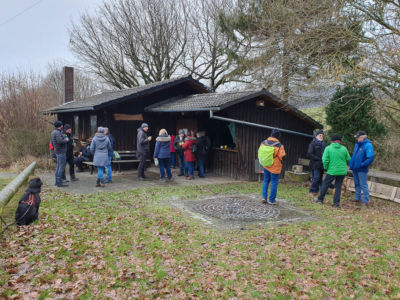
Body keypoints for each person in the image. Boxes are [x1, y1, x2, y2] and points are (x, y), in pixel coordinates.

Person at [314, 134, 351, 207]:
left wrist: (326, 167)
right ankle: (336, 203)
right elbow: (349, 159)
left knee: (325, 184)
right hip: (342, 171)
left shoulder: (328, 148)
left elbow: (325, 160)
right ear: (340, 141)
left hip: (332, 170)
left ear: (332, 141)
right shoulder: (344, 148)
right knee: (338, 186)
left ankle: (320, 199)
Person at [349, 131, 375, 207]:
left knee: (363, 184)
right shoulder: (357, 145)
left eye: (357, 137)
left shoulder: (368, 145)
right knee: (357, 183)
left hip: (362, 169)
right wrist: (352, 164)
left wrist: (362, 165)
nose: (356, 138)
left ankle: (366, 201)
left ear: (362, 137)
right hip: (355, 168)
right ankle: (357, 198)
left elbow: (370, 158)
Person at [261, 129, 286, 205]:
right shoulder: (279, 145)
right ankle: (271, 200)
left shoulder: (264, 142)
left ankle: (264, 197)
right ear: (278, 136)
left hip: (266, 164)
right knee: (274, 182)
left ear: (271, 134)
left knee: (266, 181)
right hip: (275, 167)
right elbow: (282, 156)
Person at [51, 121, 69, 187]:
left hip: (57, 151)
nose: (62, 126)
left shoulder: (54, 132)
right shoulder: (57, 133)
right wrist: (66, 140)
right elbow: (60, 141)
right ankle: (59, 182)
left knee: (58, 167)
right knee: (61, 167)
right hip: (61, 152)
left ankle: (57, 181)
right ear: (60, 126)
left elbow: (53, 142)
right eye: (62, 125)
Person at [307, 129, 325, 196]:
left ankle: (316, 191)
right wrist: (317, 158)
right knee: (316, 177)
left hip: (322, 164)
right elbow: (309, 153)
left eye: (322, 135)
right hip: (314, 164)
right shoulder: (313, 143)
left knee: (320, 178)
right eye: (320, 135)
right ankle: (312, 191)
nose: (321, 136)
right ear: (317, 136)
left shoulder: (323, 144)